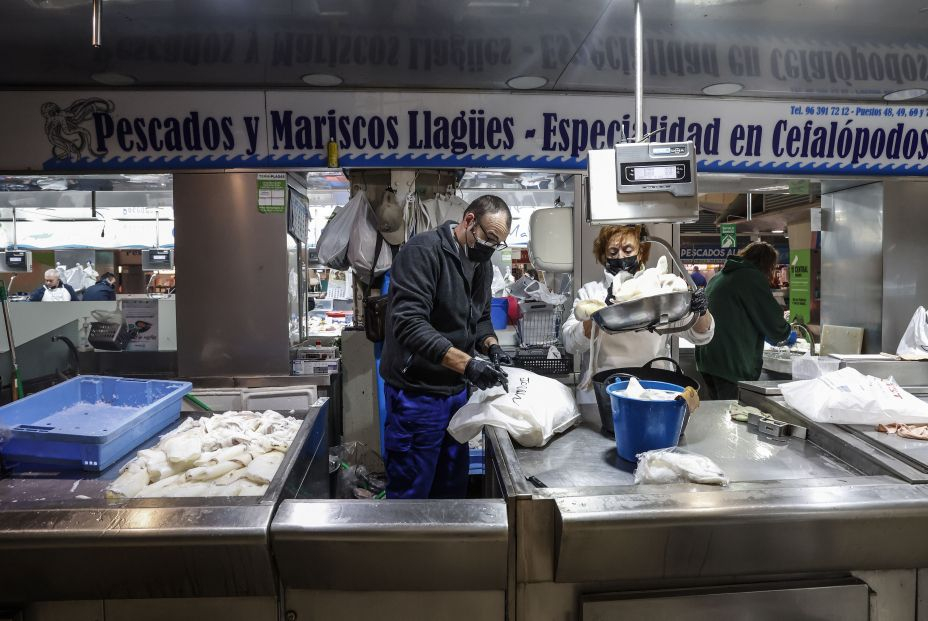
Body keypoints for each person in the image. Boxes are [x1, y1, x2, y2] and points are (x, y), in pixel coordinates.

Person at [380, 195, 512, 499]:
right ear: (469, 221)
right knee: (412, 490)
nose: (490, 248)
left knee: (452, 487)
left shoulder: (481, 264)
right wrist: (468, 365)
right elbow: (410, 324)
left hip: (456, 395)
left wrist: (491, 346)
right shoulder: (423, 252)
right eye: (488, 238)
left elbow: (479, 317)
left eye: (498, 244)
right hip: (418, 394)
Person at [562, 224, 714, 401]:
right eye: (613, 252)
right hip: (603, 391)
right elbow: (570, 344)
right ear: (604, 255)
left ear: (640, 252)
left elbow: (701, 336)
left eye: (628, 250)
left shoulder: (660, 289)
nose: (620, 257)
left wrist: (701, 310)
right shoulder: (591, 293)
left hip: (654, 389)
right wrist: (601, 314)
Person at [695, 241, 797, 400]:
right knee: (734, 413)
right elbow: (775, 326)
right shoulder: (751, 278)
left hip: (708, 361)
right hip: (731, 364)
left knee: (720, 410)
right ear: (767, 265)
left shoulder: (720, 276)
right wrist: (786, 332)